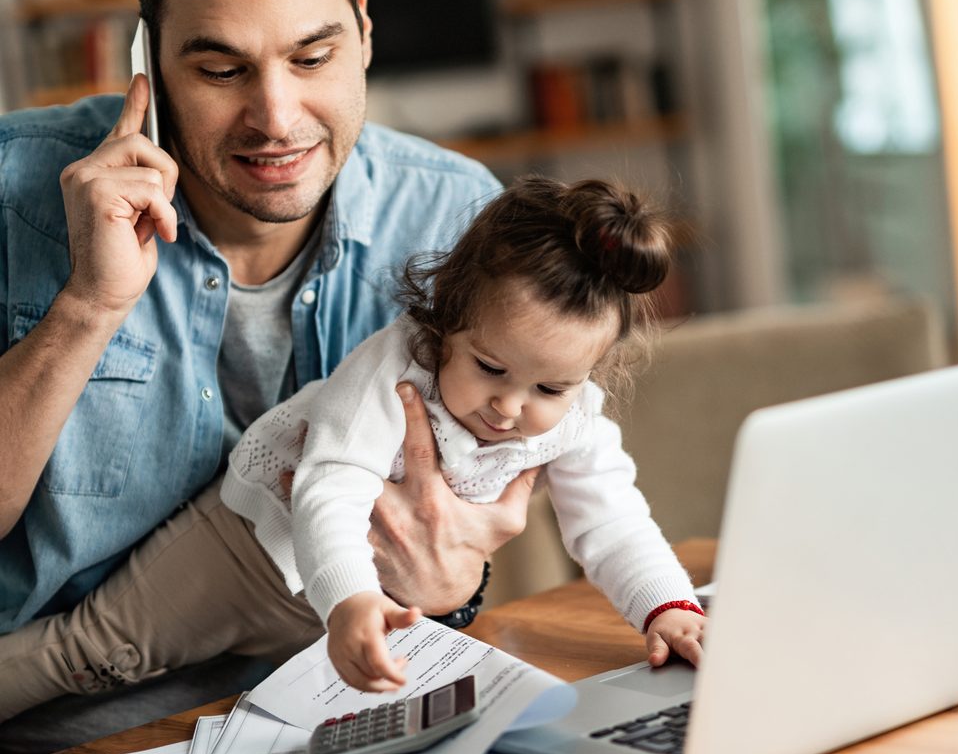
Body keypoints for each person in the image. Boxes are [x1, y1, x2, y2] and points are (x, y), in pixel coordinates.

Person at [0, 0, 534, 754]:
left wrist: (457, 581)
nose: (277, 117)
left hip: (347, 719)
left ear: (364, 30)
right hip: (60, 748)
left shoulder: (458, 219)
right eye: (220, 70)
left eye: (313, 55)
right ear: (149, 60)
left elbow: (460, 522)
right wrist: (89, 306)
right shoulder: (15, 190)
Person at [0, 175, 704, 716]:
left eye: (551, 389)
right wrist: (350, 603)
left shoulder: (576, 417)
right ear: (447, 322)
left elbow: (612, 521)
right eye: (491, 369)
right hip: (249, 549)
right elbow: (329, 486)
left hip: (342, 606)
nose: (511, 408)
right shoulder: (397, 366)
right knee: (96, 653)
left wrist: (669, 608)